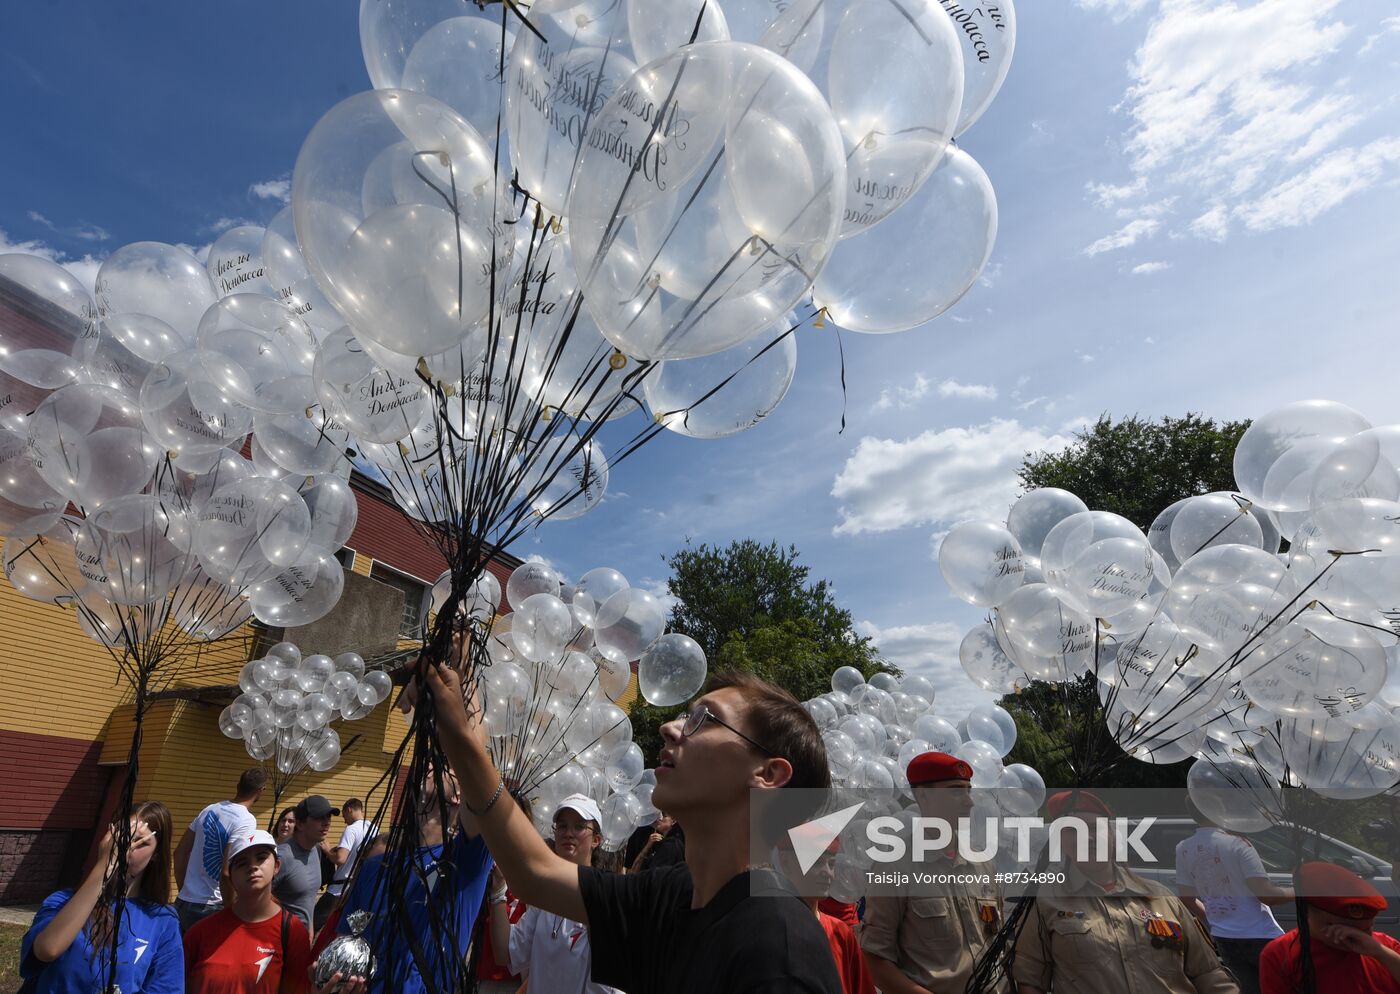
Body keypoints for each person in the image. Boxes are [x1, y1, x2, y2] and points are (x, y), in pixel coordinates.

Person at [415, 658, 842, 994]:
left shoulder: (781, 954)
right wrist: (460, 729)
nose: (669, 727)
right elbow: (534, 873)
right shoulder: (673, 893)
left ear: (768, 775)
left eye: (703, 720)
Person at [1013, 790, 1239, 994]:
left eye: (1094, 827)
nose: (1087, 837)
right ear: (1061, 841)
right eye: (1072, 830)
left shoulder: (1161, 896)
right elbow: (1031, 982)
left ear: (1113, 835)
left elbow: (1207, 973)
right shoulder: (1044, 901)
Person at [330, 764, 494, 994]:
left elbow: (478, 772)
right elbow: (345, 941)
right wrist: (330, 977)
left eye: (444, 765)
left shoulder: (464, 865)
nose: (428, 764)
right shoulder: (373, 867)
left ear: (460, 795)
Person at [860, 751, 1005, 994]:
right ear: (924, 797)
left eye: (968, 790)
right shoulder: (895, 866)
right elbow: (874, 958)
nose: (969, 802)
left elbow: (996, 941)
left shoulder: (983, 865)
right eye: (956, 791)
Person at [21, 801, 183, 993]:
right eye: (121, 838)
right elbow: (47, 950)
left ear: (156, 854)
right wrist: (104, 865)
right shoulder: (63, 901)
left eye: (140, 842)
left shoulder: (162, 919)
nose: (126, 850)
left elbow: (166, 987)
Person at [184, 828, 350, 994]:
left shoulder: (293, 931)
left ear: (276, 866)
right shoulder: (200, 933)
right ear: (231, 874)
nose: (253, 867)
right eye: (242, 863)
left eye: (261, 858)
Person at [489, 794, 621, 994]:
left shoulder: (605, 899)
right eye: (562, 826)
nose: (568, 833)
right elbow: (505, 953)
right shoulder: (545, 899)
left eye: (579, 826)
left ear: (596, 840)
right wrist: (498, 888)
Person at [1176, 802, 1292, 994]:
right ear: (1218, 810)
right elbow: (1267, 895)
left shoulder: (1183, 848)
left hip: (1224, 937)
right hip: (1261, 935)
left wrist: (1214, 918)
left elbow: (1186, 897)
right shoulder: (1238, 844)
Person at [1258, 861, 1400, 994]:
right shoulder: (1281, 954)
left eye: (1367, 928)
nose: (1364, 937)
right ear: (1310, 915)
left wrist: (1381, 953)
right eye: (1349, 932)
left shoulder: (1386, 947)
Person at [773, 831, 875, 994]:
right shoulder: (769, 931)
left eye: (832, 864)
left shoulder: (840, 933)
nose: (827, 872)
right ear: (786, 863)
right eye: (816, 862)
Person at [175, 768, 266, 933]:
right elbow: (226, 873)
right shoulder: (245, 820)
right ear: (261, 791)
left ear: (238, 785)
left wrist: (185, 890)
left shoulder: (210, 809)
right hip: (211, 907)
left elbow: (180, 853)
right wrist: (229, 911)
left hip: (183, 902)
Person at [273, 796, 337, 932]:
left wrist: (310, 931)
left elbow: (308, 902)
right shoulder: (283, 855)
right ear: (300, 824)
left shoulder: (316, 850)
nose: (326, 823)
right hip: (280, 939)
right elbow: (258, 897)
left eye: (328, 817)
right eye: (319, 817)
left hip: (302, 939)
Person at [320, 799, 375, 933]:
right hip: (360, 888)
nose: (344, 820)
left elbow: (340, 859)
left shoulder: (351, 829)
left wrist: (327, 850)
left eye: (344, 815)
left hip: (339, 890)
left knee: (317, 923)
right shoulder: (374, 828)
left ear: (349, 810)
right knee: (351, 930)